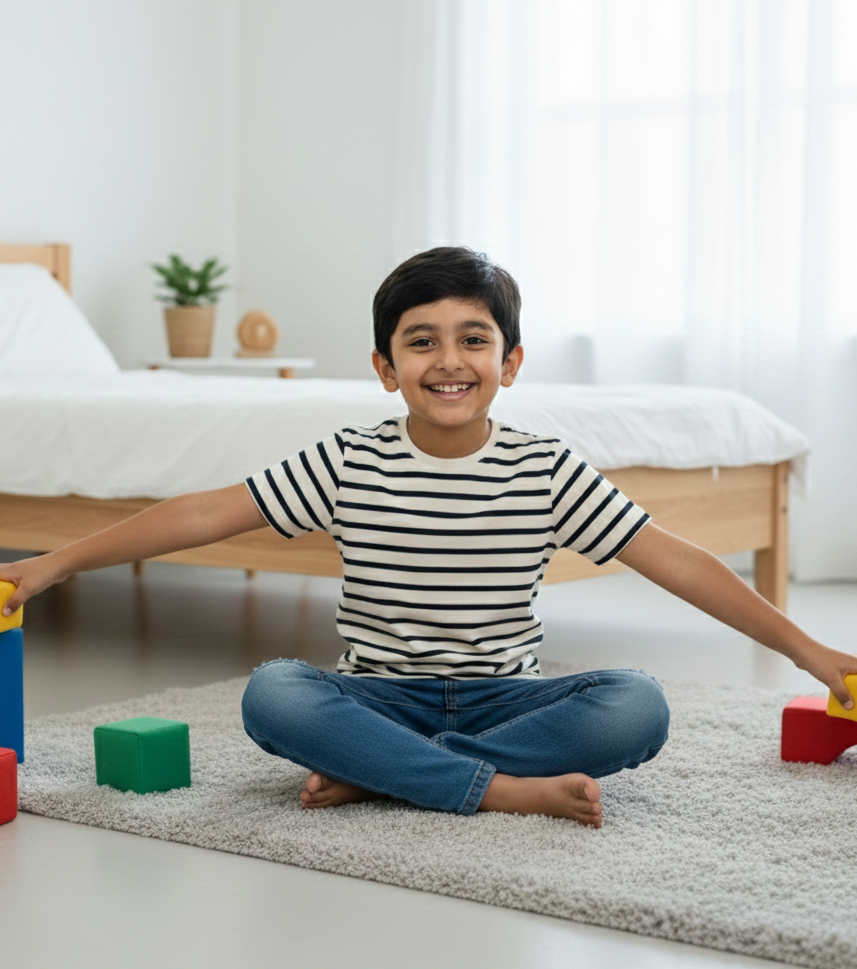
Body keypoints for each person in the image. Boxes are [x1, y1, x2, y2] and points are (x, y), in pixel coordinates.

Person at [2, 246, 855, 828]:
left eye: (472, 339)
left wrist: (810, 651)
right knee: (273, 692)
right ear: (385, 366)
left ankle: (386, 773)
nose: (448, 361)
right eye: (421, 342)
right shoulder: (349, 458)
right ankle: (496, 791)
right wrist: (49, 566)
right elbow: (199, 513)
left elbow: (676, 561)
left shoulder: (544, 466)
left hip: (506, 696)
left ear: (509, 361)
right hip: (377, 691)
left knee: (638, 702)